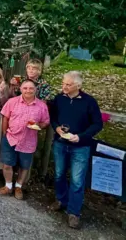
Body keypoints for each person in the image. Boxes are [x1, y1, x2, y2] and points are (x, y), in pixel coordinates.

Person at [49, 71, 103, 229]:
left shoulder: (89, 102)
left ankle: (73, 212)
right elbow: (53, 117)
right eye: (63, 83)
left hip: (80, 146)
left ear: (78, 86)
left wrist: (81, 137)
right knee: (59, 174)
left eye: (68, 84)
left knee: (77, 180)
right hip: (60, 143)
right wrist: (57, 128)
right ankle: (61, 200)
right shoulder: (59, 99)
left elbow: (97, 124)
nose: (64, 86)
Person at [0, 80, 50, 199]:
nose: (28, 90)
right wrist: (5, 133)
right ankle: (8, 186)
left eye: (31, 88)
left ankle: (19, 186)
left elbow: (46, 122)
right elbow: (5, 118)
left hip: (29, 141)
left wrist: (39, 125)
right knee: (7, 164)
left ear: (35, 89)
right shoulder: (12, 102)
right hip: (11, 138)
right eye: (25, 88)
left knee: (24, 166)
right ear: (20, 89)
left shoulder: (41, 105)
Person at [10, 59, 53, 181]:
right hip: (18, 118)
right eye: (29, 68)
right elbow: (14, 98)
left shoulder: (43, 84)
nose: (30, 70)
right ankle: (10, 177)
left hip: (33, 120)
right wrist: (13, 86)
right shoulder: (22, 80)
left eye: (33, 68)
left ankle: (23, 181)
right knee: (14, 147)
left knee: (28, 149)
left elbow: (44, 104)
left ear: (39, 70)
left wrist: (35, 118)